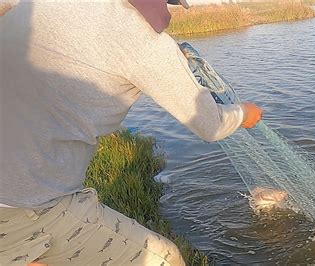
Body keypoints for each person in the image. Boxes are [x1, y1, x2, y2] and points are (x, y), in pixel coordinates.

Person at [0, 0, 263, 265]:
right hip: (23, 206)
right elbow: (211, 125)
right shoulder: (143, 40)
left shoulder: (43, 4)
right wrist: (245, 113)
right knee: (164, 259)